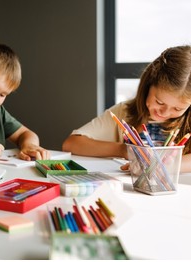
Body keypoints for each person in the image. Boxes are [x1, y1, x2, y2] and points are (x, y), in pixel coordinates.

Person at [62, 45, 191, 172]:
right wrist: (123, 150)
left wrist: (162, 167)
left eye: (178, 109)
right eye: (159, 102)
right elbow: (71, 144)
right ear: (148, 85)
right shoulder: (125, 111)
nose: (165, 112)